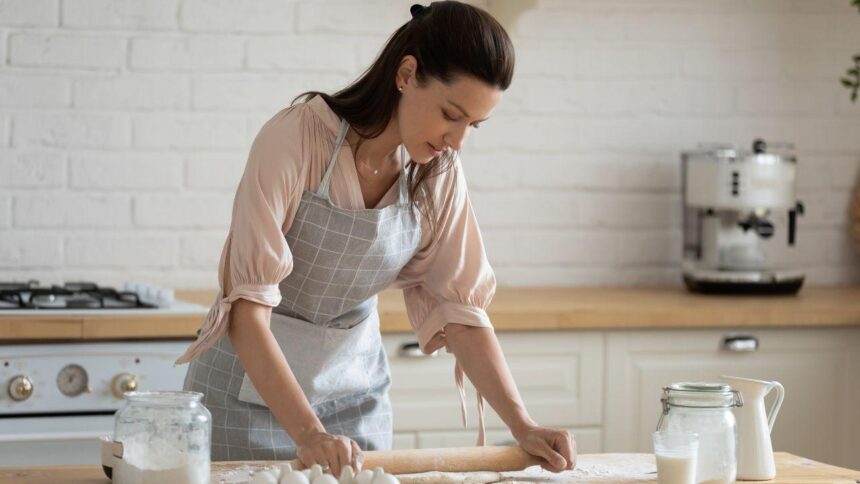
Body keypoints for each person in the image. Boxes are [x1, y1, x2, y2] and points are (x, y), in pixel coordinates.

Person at [175, 1, 576, 475]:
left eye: (473, 125)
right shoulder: (296, 139)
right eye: (451, 115)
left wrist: (524, 425)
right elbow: (246, 312)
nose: (457, 140)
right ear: (406, 74)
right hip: (246, 397)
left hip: (353, 402)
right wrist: (310, 435)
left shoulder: (437, 172)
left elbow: (463, 314)